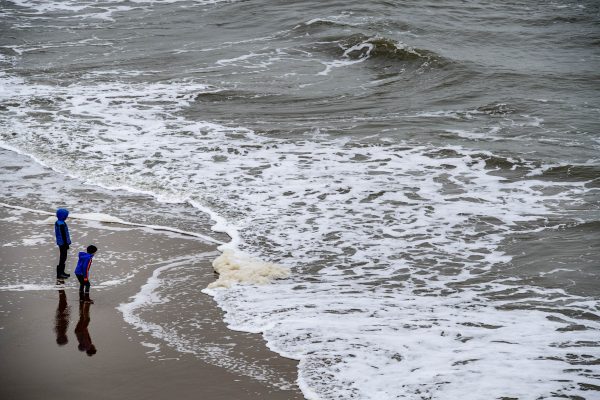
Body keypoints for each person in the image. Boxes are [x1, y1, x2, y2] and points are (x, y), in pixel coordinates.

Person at [54, 208, 71, 279]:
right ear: (63, 216)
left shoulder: (58, 222)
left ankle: (61, 272)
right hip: (63, 243)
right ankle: (60, 273)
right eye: (66, 216)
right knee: (63, 258)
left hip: (60, 243)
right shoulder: (61, 224)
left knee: (63, 257)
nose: (67, 217)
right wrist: (66, 244)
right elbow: (63, 235)